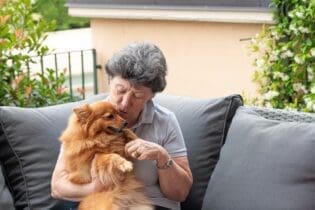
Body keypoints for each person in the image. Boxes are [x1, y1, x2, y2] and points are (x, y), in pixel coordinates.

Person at [51, 42, 193, 210]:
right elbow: (57, 187)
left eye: (137, 96)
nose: (125, 103)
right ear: (110, 81)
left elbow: (180, 193)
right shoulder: (87, 119)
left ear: (151, 96)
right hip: (100, 203)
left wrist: (162, 156)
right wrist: (95, 188)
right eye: (120, 90)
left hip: (149, 204)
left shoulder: (165, 121)